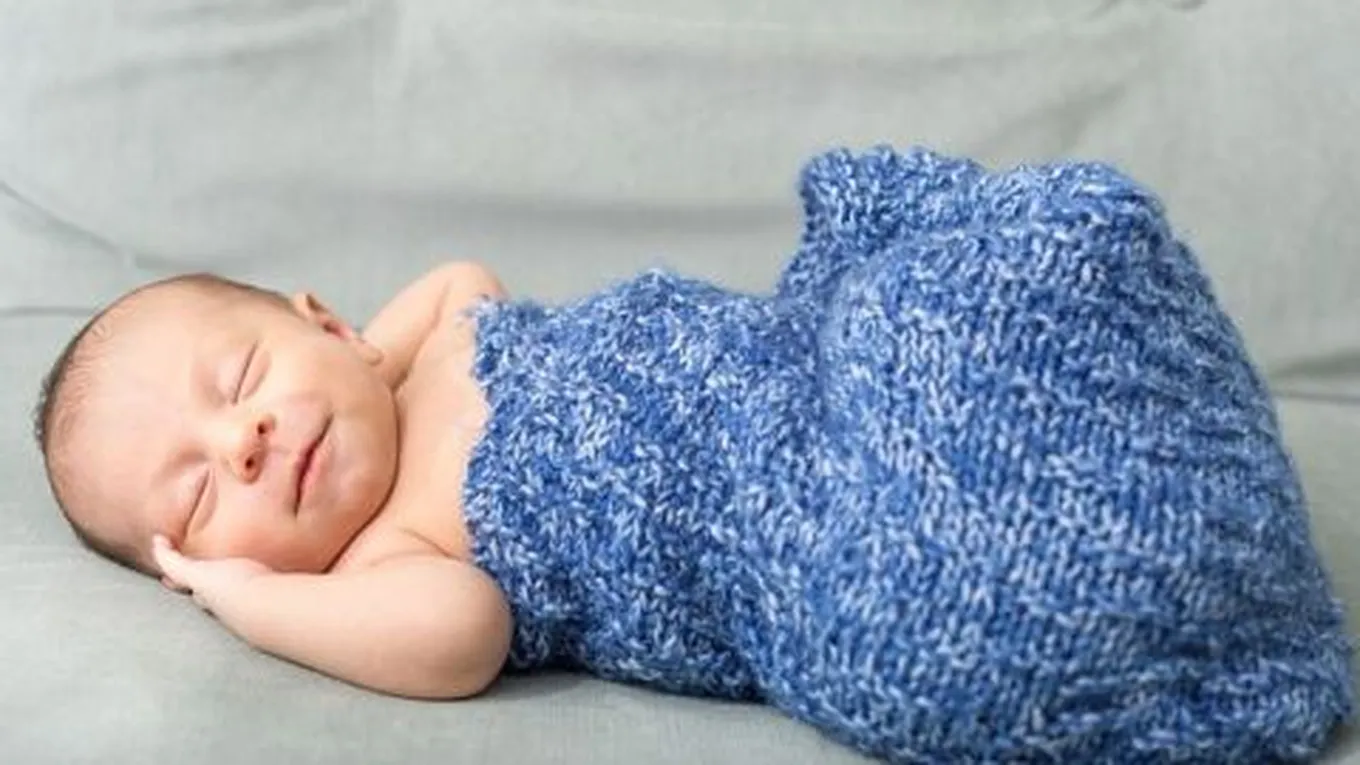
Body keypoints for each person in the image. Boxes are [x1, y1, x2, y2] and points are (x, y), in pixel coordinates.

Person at [33, 147, 1352, 763]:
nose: (246, 441)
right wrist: (255, 602)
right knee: (913, 622)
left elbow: (457, 278)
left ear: (326, 322)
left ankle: (1123, 413)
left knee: (968, 286)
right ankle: (1185, 602)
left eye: (241, 381)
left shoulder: (433, 345)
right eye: (198, 495)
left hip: (801, 363)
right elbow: (459, 640)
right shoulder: (398, 556)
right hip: (784, 518)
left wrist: (366, 366)